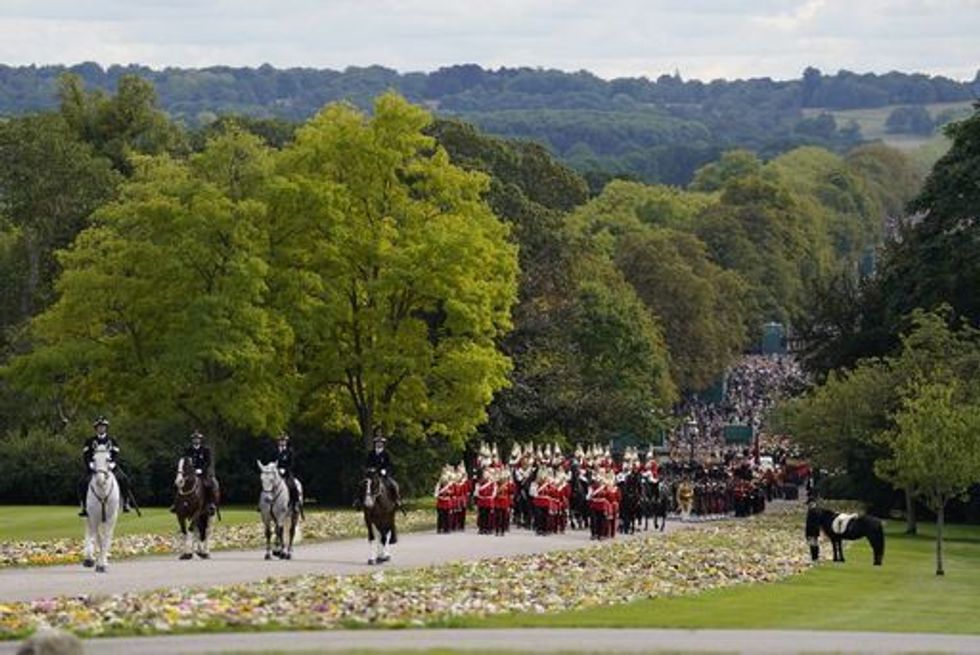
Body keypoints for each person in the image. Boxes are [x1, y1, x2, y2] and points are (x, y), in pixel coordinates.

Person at [78, 416, 133, 516]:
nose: (101, 428)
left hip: (110, 467)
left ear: (106, 428)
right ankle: (84, 506)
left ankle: (126, 503)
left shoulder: (112, 441)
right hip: (94, 467)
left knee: (124, 479)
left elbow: (116, 455)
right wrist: (90, 464)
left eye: (103, 426)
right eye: (99, 427)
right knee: (82, 482)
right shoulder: (89, 441)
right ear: (96, 428)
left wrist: (113, 464)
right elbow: (86, 456)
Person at [179, 430, 219, 516]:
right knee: (179, 484)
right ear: (192, 440)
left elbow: (208, 462)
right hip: (190, 474)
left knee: (209, 484)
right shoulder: (188, 450)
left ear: (200, 440)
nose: (196, 440)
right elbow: (185, 461)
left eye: (197, 439)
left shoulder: (205, 450)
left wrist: (201, 469)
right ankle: (176, 504)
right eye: (194, 439)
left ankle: (211, 503)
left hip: (203, 473)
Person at [365, 428, 402, 511]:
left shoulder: (386, 454)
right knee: (363, 484)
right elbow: (367, 463)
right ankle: (358, 500)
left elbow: (389, 465)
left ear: (383, 444)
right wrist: (370, 469)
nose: (379, 444)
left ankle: (397, 500)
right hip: (372, 474)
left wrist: (385, 470)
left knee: (394, 484)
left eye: (380, 443)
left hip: (383, 474)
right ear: (375, 444)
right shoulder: (371, 453)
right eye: (377, 443)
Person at [275, 431, 300, 512]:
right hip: (275, 472)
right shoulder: (274, 451)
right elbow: (271, 461)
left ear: (286, 441)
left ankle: (295, 503)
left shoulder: (290, 451)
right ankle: (263, 504)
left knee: (292, 485)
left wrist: (285, 470)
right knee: (266, 483)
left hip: (287, 472)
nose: (282, 442)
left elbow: (292, 463)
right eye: (280, 440)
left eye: (283, 440)